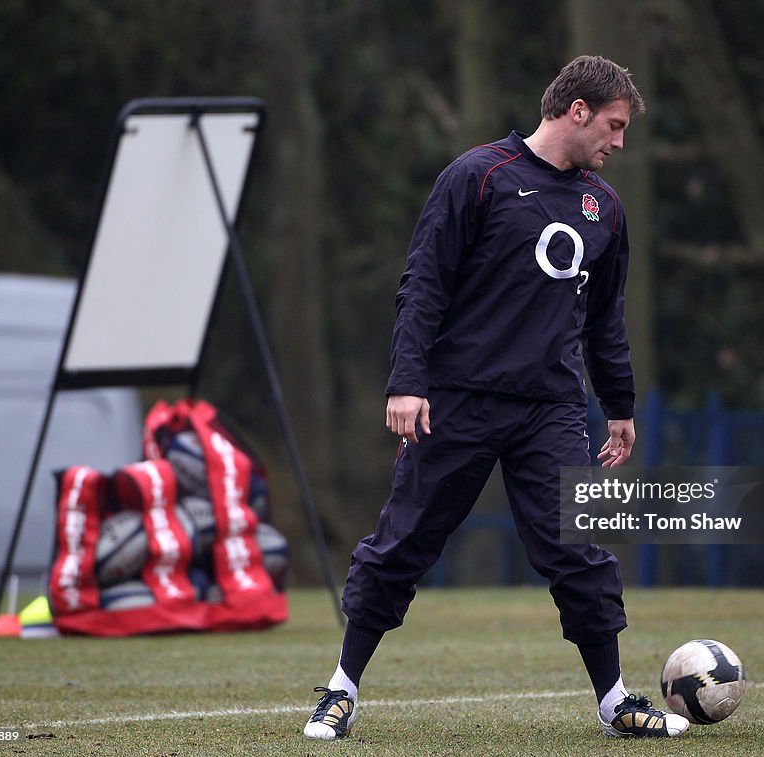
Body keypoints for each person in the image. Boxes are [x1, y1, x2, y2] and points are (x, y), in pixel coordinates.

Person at [303, 55, 689, 741]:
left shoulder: (605, 208)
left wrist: (620, 406)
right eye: (614, 124)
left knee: (579, 548)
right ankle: (340, 690)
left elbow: (605, 317)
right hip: (458, 398)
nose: (619, 142)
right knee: (403, 542)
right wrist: (406, 381)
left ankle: (614, 702)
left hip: (552, 408)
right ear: (576, 110)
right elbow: (423, 284)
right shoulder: (477, 177)